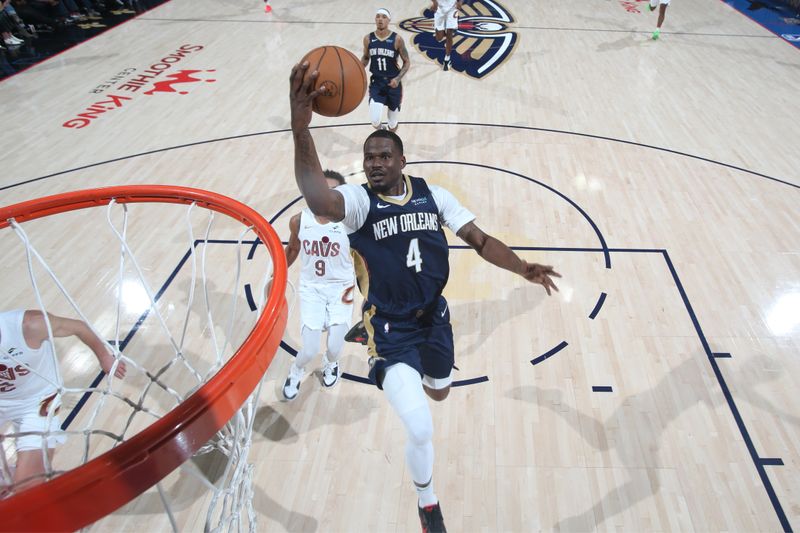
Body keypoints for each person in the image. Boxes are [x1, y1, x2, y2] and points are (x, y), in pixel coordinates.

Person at [290, 62, 561, 532]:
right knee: (419, 426)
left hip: (435, 317)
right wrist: (300, 124)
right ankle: (427, 503)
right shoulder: (357, 203)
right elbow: (319, 199)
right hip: (391, 329)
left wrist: (522, 268)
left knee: (439, 393)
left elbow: (479, 239)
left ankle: (408, 361)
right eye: (368, 157)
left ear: (401, 161)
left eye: (383, 156)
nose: (374, 163)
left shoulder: (433, 196)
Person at [0, 309, 126, 493]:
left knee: (27, 487)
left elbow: (79, 327)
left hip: (37, 402)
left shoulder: (31, 325)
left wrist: (104, 358)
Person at [281, 170, 356, 401]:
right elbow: (293, 249)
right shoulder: (299, 220)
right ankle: (296, 370)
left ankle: (331, 364)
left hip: (342, 287)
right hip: (312, 287)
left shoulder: (350, 223)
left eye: (331, 191)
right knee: (310, 349)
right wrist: (278, 273)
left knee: (335, 347)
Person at [361, 7, 410, 132]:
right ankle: (383, 132)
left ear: (389, 21)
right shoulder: (368, 39)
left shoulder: (397, 39)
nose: (380, 19)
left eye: (383, 17)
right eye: (378, 16)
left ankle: (391, 135)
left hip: (393, 84)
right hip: (377, 83)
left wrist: (398, 79)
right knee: (375, 121)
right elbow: (366, 58)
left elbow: (407, 62)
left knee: (393, 124)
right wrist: (358, 70)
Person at [431, 0, 462, 71]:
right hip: (439, 9)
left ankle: (447, 59)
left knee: (449, 34)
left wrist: (460, 2)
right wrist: (434, 2)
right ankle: (441, 30)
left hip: (452, 9)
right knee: (439, 38)